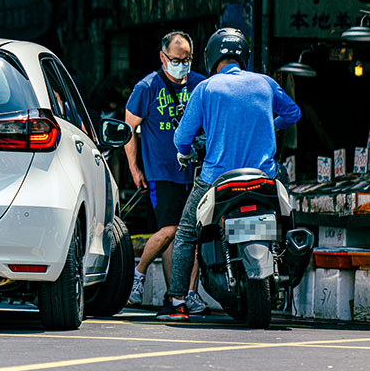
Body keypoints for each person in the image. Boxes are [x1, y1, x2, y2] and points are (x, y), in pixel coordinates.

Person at [156, 28, 301, 321]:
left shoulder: (206, 88)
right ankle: (285, 264)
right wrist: (267, 125)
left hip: (216, 180)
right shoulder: (266, 83)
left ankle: (178, 301)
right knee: (286, 221)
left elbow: (182, 138)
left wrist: (185, 152)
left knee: (185, 234)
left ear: (211, 58)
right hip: (264, 178)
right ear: (243, 56)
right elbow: (293, 114)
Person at [124, 31, 208, 313]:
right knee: (170, 230)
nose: (182, 64)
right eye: (176, 59)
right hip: (162, 172)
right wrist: (135, 169)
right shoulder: (146, 87)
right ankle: (139, 274)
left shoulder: (200, 85)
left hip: (195, 173)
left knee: (190, 237)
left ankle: (183, 295)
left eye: (187, 59)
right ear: (163, 57)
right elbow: (128, 132)